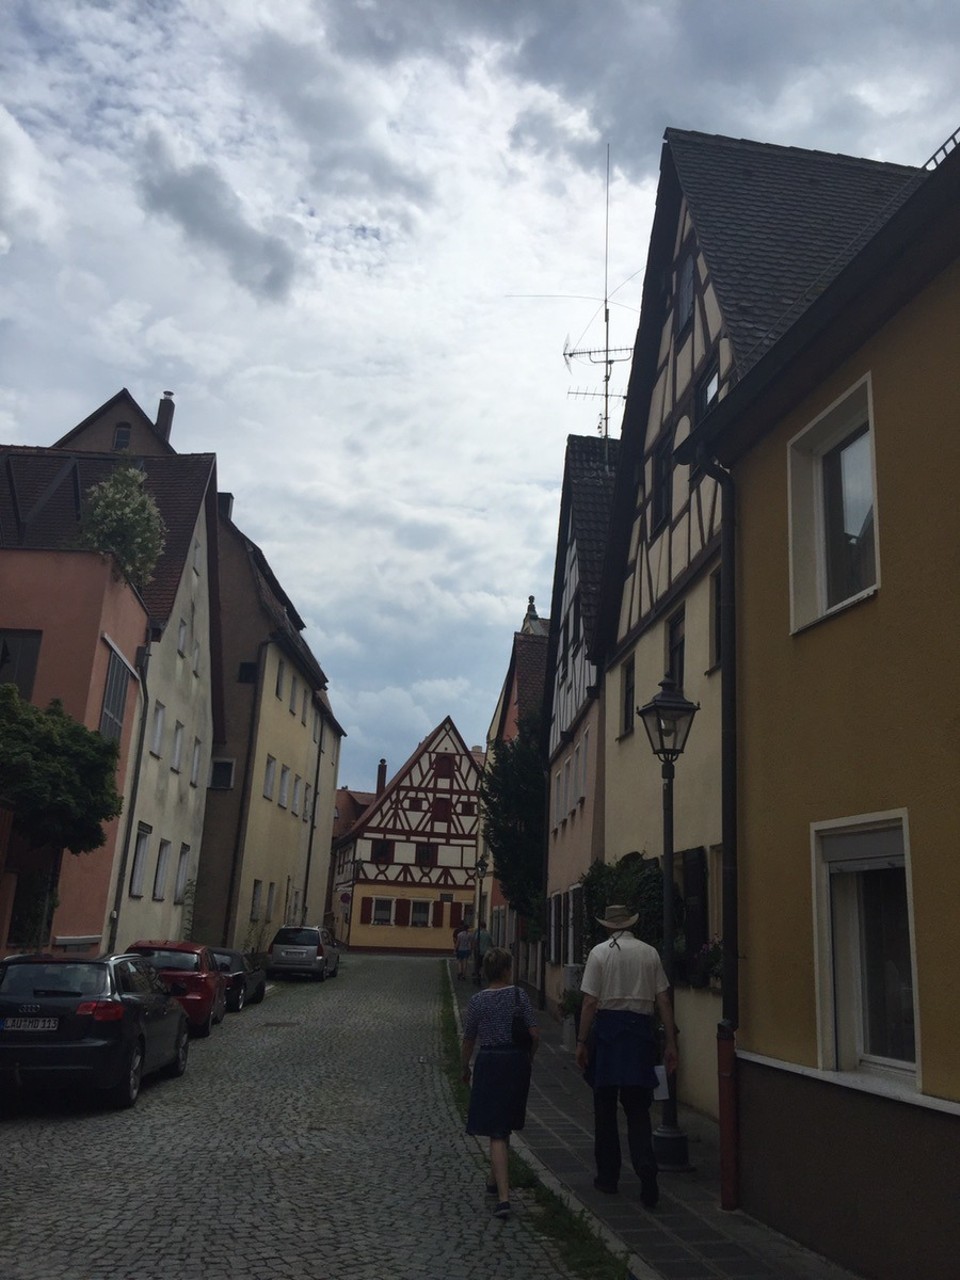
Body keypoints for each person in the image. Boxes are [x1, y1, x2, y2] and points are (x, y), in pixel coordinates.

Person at [574, 903, 679, 1208]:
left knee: (605, 1110)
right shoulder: (649, 953)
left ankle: (608, 1177)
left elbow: (590, 1002)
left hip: (608, 1034)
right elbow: (663, 999)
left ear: (608, 926)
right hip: (639, 1035)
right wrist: (670, 1042)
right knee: (638, 1110)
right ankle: (646, 1171)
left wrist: (581, 1041)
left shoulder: (599, 953)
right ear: (630, 924)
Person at [460, 947, 539, 1220]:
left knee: (496, 1128)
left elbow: (469, 1038)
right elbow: (534, 1034)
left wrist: (464, 1067)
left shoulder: (478, 1001)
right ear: (507, 970)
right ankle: (495, 1185)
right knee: (503, 1124)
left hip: (490, 1061)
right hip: (516, 1061)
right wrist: (528, 1057)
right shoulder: (519, 996)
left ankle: (503, 1199)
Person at [472, 918, 492, 985]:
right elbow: (491, 943)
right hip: (486, 952)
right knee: (485, 964)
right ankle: (484, 976)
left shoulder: (478, 934)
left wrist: (474, 949)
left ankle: (478, 977)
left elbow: (475, 942)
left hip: (479, 952)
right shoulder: (488, 934)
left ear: (480, 926)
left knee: (478, 965)